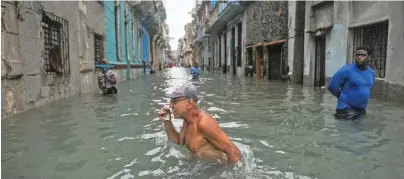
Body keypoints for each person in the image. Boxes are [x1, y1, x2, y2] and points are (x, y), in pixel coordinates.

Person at [157, 85, 241, 164]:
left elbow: (233, 151)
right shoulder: (187, 121)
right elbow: (179, 141)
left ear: (189, 103)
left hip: (217, 169)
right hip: (202, 165)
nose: (170, 106)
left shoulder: (204, 123)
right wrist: (167, 121)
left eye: (174, 101)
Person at [328, 46, 375, 120]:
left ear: (369, 57)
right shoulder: (346, 70)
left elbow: (366, 88)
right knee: (350, 130)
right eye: (357, 55)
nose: (359, 57)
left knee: (361, 129)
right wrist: (341, 96)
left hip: (361, 109)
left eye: (363, 55)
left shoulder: (371, 72)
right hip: (345, 107)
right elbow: (332, 86)